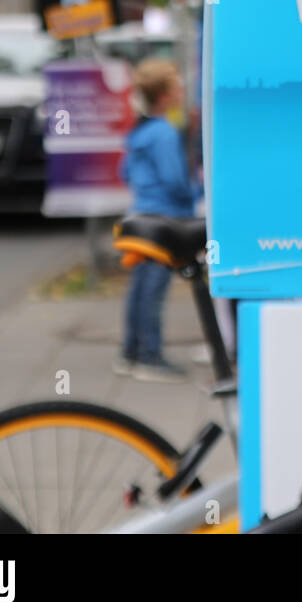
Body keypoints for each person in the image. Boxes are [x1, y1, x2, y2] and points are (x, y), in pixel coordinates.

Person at [116, 59, 201, 382]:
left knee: (140, 289)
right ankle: (150, 356)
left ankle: (131, 352)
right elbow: (175, 180)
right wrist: (197, 192)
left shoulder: (142, 130)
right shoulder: (164, 133)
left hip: (141, 215)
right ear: (165, 96)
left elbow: (125, 171)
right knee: (154, 290)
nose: (182, 92)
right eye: (177, 87)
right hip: (164, 220)